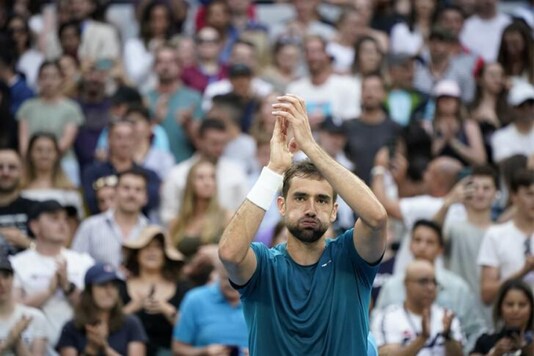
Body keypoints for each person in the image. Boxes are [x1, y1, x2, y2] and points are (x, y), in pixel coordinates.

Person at [218, 95, 388, 354]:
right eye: (300, 198)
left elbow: (376, 219)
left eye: (321, 200)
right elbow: (229, 253)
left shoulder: (351, 257)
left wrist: (310, 145)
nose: (310, 209)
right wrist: (274, 169)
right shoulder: (264, 265)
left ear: (334, 212)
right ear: (282, 206)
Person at [374, 219, 486, 351]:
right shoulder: (391, 286)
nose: (422, 247)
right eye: (417, 240)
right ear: (410, 245)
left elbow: (474, 331)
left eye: (430, 242)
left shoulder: (458, 288)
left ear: (440, 249)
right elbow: (377, 329)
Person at [10, 200, 94, 347]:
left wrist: (68, 287)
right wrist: (48, 291)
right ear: (34, 226)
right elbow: (11, 311)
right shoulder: (16, 263)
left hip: (79, 347)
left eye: (65, 219)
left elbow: (95, 309)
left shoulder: (84, 261)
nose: (62, 224)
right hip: (31, 347)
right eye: (54, 218)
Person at [160, 119, 248, 226]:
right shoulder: (178, 174)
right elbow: (169, 214)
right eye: (214, 143)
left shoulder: (236, 173)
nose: (219, 148)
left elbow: (245, 213)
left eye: (223, 143)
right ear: (199, 141)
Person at [371, 260, 464, 355]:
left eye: (434, 282)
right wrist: (422, 338)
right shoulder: (387, 317)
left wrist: (447, 336)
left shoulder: (446, 316)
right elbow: (384, 354)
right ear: (406, 284)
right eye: (423, 281)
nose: (431, 288)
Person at [122, 225, 188, 355]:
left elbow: (192, 329)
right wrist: (132, 307)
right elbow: (107, 325)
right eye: (146, 247)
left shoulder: (183, 288)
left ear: (166, 254)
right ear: (136, 254)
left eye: (157, 247)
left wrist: (167, 310)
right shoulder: (119, 287)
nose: (151, 252)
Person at [17, 60, 84, 186]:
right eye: (44, 77)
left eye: (53, 77)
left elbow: (66, 140)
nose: (49, 82)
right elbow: (24, 140)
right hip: (31, 162)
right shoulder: (27, 107)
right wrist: (32, 159)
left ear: (61, 79)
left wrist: (47, 158)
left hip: (64, 162)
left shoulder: (71, 108)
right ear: (38, 80)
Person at [56, 263, 147, 355]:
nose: (109, 291)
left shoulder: (131, 323)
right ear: (89, 291)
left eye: (114, 285)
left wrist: (105, 349)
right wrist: (91, 349)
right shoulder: (72, 327)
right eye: (103, 285)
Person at [81, 118, 161, 217]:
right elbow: (92, 203)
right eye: (119, 137)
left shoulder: (149, 175)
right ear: (109, 140)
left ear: (136, 141)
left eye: (129, 138)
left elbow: (150, 202)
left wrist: (111, 198)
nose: (124, 143)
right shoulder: (92, 172)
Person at [73, 169, 149, 268]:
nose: (131, 194)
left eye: (138, 190)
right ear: (116, 192)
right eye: (126, 188)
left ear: (145, 197)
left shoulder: (150, 230)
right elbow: (75, 264)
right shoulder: (90, 226)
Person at [478, 169, 534, 305]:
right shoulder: (495, 235)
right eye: (529, 194)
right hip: (508, 321)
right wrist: (522, 272)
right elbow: (487, 294)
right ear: (514, 196)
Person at [172, 259, 249, 355]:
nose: (233, 284)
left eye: (239, 279)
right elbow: (178, 348)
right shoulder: (195, 299)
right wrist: (205, 352)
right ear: (217, 275)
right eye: (227, 278)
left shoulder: (259, 301)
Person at [169, 159, 232, 259]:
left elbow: (235, 253)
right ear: (190, 183)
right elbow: (169, 253)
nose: (207, 183)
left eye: (212, 177)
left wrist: (214, 251)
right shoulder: (177, 222)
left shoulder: (227, 217)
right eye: (200, 177)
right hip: (183, 272)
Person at [20, 133, 84, 218]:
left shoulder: (69, 190)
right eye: (39, 150)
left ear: (57, 155)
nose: (44, 155)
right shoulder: (17, 189)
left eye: (49, 150)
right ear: (30, 154)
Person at [470, 279, 534, 356]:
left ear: (531, 308)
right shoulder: (485, 342)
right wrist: (494, 353)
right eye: (510, 304)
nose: (515, 310)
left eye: (522, 305)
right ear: (500, 308)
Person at [0, 256, 48, 355]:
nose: (1, 283)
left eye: (6, 276)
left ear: (13, 279)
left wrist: (17, 342)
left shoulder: (34, 317)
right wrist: (7, 342)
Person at [0, 148, 37, 255]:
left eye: (12, 167)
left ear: (21, 172)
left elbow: (53, 251)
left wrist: (26, 243)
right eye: (0, 167)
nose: (5, 173)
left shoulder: (36, 208)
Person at [491, 81, 534, 163]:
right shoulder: (500, 137)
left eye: (531, 104)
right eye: (521, 106)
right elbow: (507, 167)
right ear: (512, 108)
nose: (527, 109)